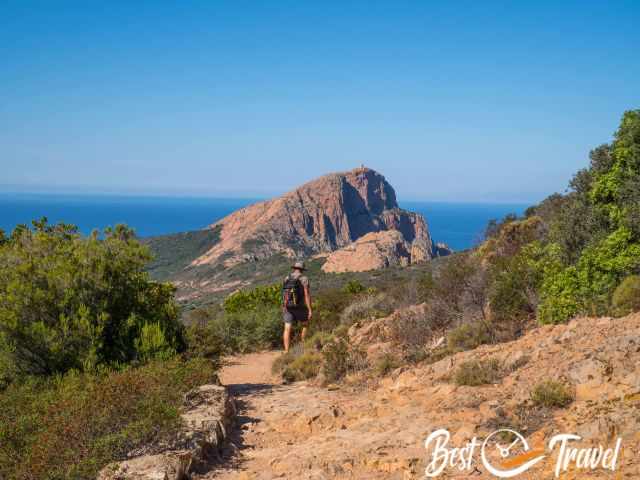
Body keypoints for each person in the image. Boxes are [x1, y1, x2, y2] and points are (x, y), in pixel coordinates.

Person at [282, 261, 312, 353]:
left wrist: (284, 306)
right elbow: (307, 295)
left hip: (288, 307)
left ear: (294, 268)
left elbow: (284, 293)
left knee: (287, 328)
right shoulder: (304, 279)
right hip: (301, 307)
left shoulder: (287, 278)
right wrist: (310, 309)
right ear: (302, 270)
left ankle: (286, 350)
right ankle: (303, 344)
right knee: (305, 324)